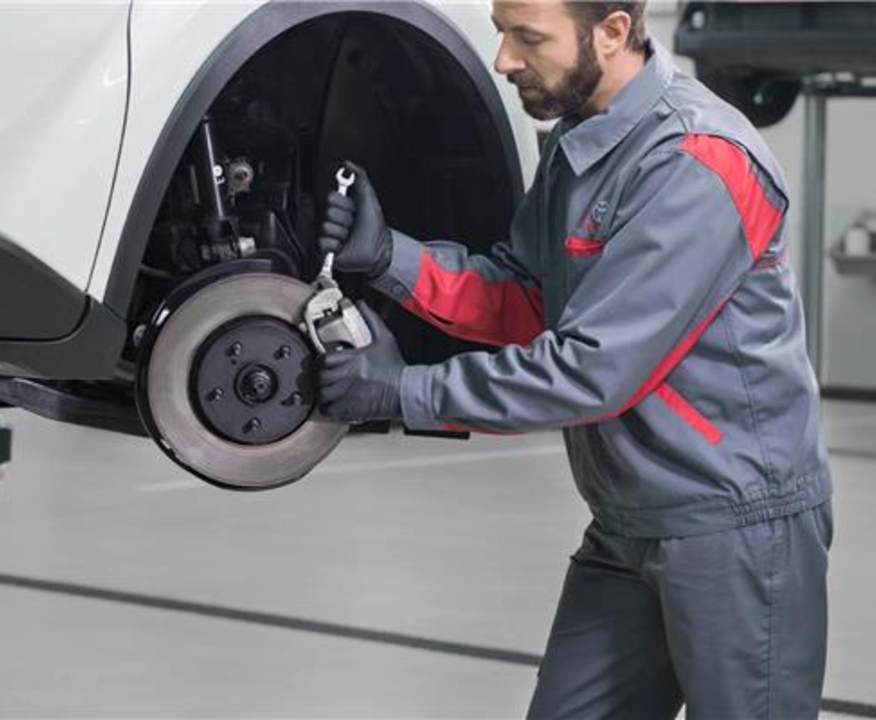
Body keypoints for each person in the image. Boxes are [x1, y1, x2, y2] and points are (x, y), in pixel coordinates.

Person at [316, 2, 833, 717]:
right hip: (628, 519)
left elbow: (593, 369)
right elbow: (534, 297)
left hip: (734, 524)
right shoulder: (582, 140)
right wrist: (390, 258)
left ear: (614, 32)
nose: (503, 59)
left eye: (529, 37)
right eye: (502, 30)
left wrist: (405, 392)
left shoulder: (697, 162)